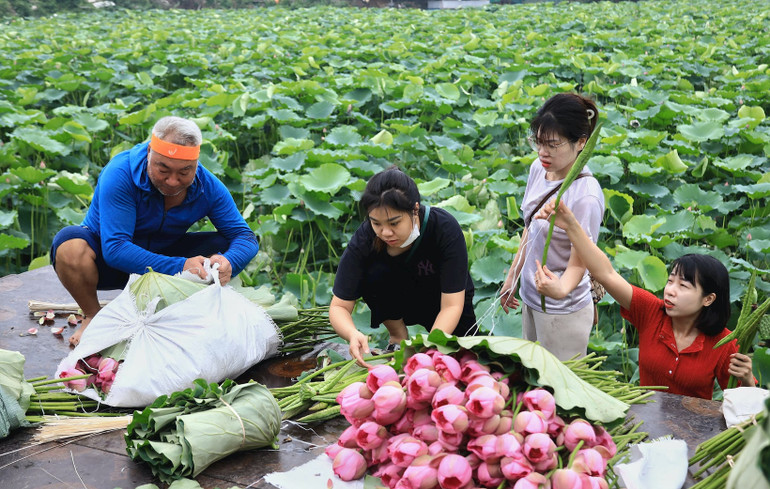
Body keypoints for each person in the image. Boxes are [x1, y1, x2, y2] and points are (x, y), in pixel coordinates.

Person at [50, 116, 259, 346]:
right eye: (163, 169)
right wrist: (181, 266)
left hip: (165, 260)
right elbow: (115, 249)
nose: (172, 181)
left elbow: (246, 237)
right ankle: (92, 314)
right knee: (69, 245)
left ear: (196, 165)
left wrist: (228, 261)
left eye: (184, 172)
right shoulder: (121, 173)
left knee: (223, 245)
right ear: (150, 152)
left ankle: (176, 314)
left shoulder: (207, 185)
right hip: (109, 264)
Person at [535, 200, 755, 399]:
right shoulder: (651, 312)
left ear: (708, 299)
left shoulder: (725, 344)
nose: (670, 291)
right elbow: (606, 274)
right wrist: (571, 225)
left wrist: (746, 379)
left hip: (693, 432)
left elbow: (743, 403)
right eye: (670, 281)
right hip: (645, 422)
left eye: (683, 286)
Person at [329, 167, 476, 367]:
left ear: (414, 209)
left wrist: (427, 352)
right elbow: (339, 306)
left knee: (465, 356)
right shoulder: (365, 239)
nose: (385, 232)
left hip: (446, 299)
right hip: (397, 297)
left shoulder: (444, 228)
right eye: (376, 223)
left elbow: (452, 305)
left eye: (394, 223)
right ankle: (397, 339)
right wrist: (352, 334)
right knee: (374, 272)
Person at [500, 93, 604, 361]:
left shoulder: (586, 195)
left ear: (581, 143)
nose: (542, 152)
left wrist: (559, 290)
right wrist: (514, 274)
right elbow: (530, 227)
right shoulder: (538, 168)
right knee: (532, 379)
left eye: (553, 144)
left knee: (560, 392)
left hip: (563, 308)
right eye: (538, 141)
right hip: (531, 295)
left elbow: (580, 261)